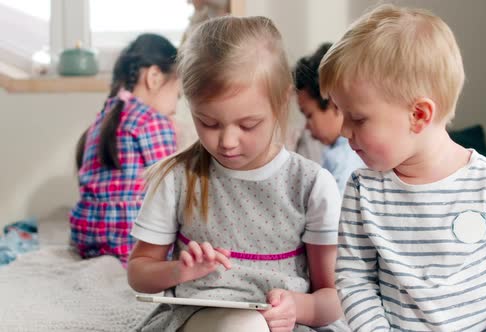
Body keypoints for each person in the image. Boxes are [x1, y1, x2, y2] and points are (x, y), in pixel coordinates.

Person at [319, 4, 486, 331]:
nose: (344, 131)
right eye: (341, 115)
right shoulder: (363, 189)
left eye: (357, 118)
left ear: (419, 116)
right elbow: (355, 278)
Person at [127, 16, 346, 332]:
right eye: (209, 123)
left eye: (247, 125)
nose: (227, 142)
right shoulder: (178, 178)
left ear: (282, 100)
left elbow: (332, 297)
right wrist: (180, 271)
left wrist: (297, 307)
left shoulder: (311, 185)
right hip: (201, 320)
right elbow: (139, 272)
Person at [70, 33, 179, 266]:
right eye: (176, 95)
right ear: (155, 77)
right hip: (128, 239)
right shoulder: (152, 121)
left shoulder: (103, 118)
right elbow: (171, 185)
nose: (175, 107)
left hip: (86, 235)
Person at [294, 43, 365, 194]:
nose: (307, 127)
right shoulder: (335, 152)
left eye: (309, 115)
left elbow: (334, 213)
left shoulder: (346, 156)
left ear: (334, 104)